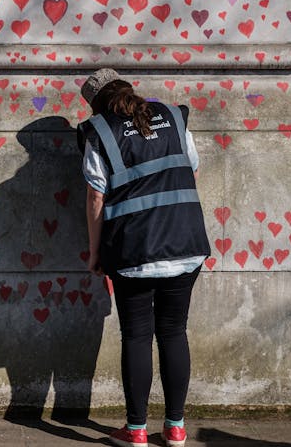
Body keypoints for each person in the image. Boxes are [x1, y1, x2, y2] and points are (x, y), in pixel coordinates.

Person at [77, 69, 210, 447]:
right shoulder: (172, 116)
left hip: (133, 251)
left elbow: (95, 198)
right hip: (185, 245)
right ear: (129, 91)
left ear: (97, 103)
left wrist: (95, 251)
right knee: (173, 332)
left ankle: (136, 431)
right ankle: (176, 428)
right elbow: (191, 169)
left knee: (136, 335)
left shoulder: (100, 132)